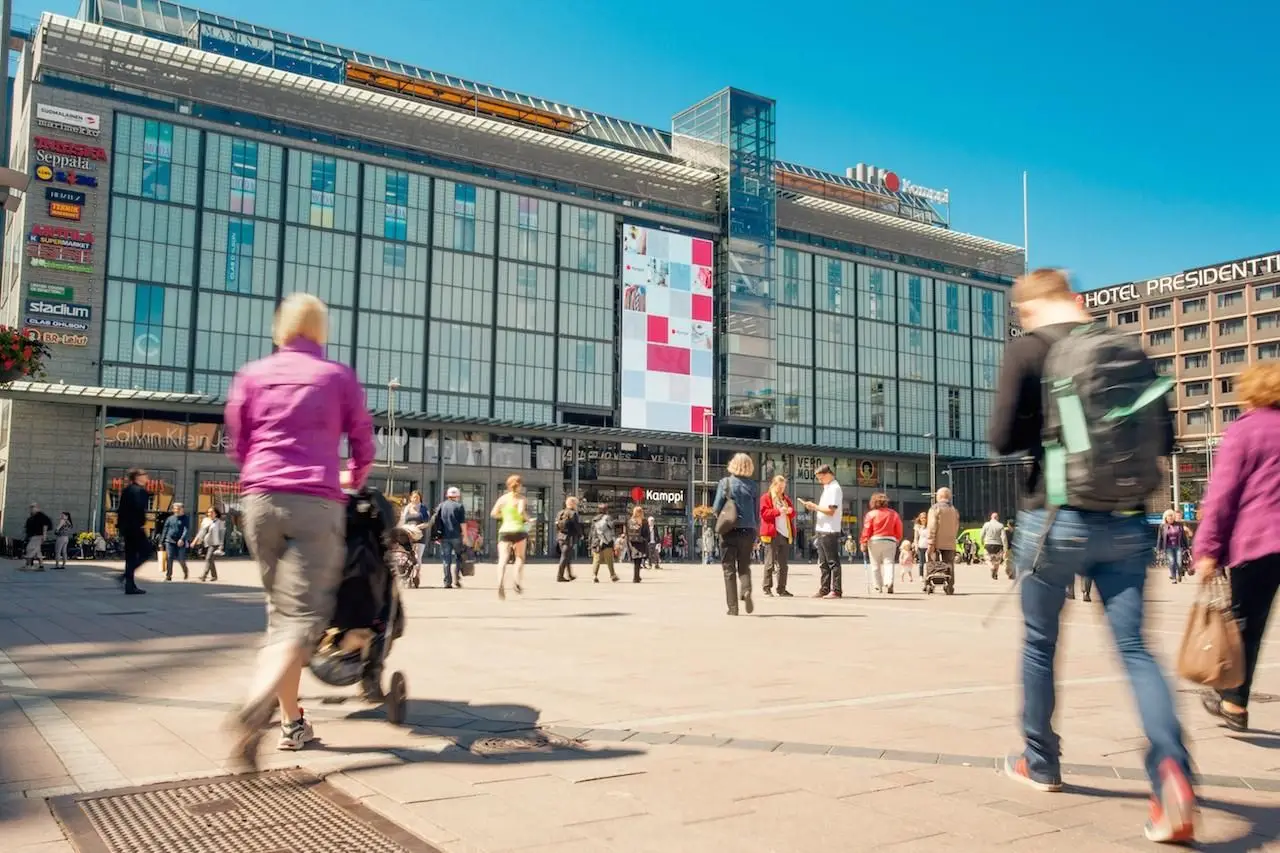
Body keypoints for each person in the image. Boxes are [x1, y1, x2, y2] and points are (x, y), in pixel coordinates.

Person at [989, 268, 1193, 843]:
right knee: (1135, 649)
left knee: (1040, 642)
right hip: (1127, 519)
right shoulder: (1129, 349)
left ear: (1026, 310)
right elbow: (1167, 439)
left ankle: (1041, 761)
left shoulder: (1027, 350)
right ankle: (1171, 770)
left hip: (1054, 517)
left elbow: (1001, 439)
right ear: (1076, 301)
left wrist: (1047, 430)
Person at [225, 292, 374, 764]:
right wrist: (354, 476)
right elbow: (363, 439)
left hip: (260, 501)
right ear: (320, 328)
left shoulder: (253, 374)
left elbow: (238, 438)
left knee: (280, 615)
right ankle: (257, 704)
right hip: (315, 502)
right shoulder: (336, 376)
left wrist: (259, 473)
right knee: (302, 619)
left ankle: (293, 723)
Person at [1193, 362, 1280, 734]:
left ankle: (1234, 701)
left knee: (1247, 625)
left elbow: (1222, 496)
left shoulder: (1246, 431)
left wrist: (1207, 549)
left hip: (1260, 542)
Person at [712, 453, 759, 615]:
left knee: (729, 569)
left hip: (729, 531)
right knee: (744, 566)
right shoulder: (753, 486)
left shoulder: (725, 483)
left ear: (732, 464)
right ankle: (746, 590)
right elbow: (755, 512)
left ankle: (733, 608)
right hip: (748, 531)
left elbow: (716, 507)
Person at [802, 464, 843, 599]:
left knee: (832, 561)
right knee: (823, 563)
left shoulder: (835, 488)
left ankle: (836, 590)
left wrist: (815, 507)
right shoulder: (828, 488)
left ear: (828, 474)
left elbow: (831, 510)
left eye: (821, 478)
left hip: (829, 529)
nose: (820, 481)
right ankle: (824, 588)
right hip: (822, 528)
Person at [491, 474, 529, 599]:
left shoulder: (502, 499)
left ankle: (500, 582)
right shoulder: (521, 498)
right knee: (520, 558)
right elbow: (521, 512)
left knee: (503, 558)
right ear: (519, 486)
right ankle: (517, 580)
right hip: (519, 530)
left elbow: (493, 514)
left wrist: (504, 516)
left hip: (505, 531)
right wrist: (528, 519)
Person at [759, 474, 796, 597]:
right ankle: (767, 588)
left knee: (783, 565)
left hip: (785, 533)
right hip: (772, 533)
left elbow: (793, 513)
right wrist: (778, 511)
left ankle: (781, 589)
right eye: (779, 487)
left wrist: (790, 511)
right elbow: (764, 514)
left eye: (783, 487)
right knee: (769, 563)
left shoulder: (785, 499)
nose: (781, 490)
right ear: (773, 485)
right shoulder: (766, 498)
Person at [860, 493, 903, 594]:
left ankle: (878, 586)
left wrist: (863, 541)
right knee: (889, 562)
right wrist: (898, 538)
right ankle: (889, 582)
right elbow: (899, 527)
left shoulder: (871, 514)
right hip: (890, 540)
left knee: (875, 564)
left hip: (875, 540)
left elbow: (867, 529)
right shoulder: (893, 514)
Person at [117, 469, 151, 594]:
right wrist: (141, 523)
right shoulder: (140, 491)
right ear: (137, 477)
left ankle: (129, 586)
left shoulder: (127, 490)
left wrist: (121, 527)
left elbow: (120, 510)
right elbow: (139, 508)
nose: (147, 477)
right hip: (135, 527)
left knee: (130, 556)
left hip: (126, 528)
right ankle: (125, 575)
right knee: (147, 551)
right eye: (144, 475)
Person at [435, 487, 467, 589]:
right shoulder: (459, 506)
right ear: (457, 496)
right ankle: (456, 579)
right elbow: (462, 523)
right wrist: (465, 536)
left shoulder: (442, 505)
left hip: (444, 536)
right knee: (459, 557)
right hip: (456, 536)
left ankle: (447, 582)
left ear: (447, 496)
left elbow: (436, 520)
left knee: (446, 559)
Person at [926, 488, 960, 582]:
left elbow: (932, 526)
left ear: (939, 496)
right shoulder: (954, 510)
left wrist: (930, 541)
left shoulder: (935, 508)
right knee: (949, 564)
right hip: (950, 542)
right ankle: (950, 583)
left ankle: (930, 582)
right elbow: (956, 526)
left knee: (932, 561)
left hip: (937, 542)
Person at [192, 507, 226, 582]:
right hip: (206, 543)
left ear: (216, 514)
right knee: (210, 560)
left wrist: (221, 545)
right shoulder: (205, 521)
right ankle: (214, 576)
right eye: (208, 512)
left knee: (208, 558)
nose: (209, 514)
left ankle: (204, 576)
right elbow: (201, 532)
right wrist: (195, 541)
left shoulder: (220, 522)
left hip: (215, 543)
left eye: (212, 512)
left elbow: (221, 535)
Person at [555, 496, 583, 582]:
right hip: (569, 537)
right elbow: (576, 526)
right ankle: (559, 576)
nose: (576, 505)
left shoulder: (560, 513)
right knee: (564, 556)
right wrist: (581, 535)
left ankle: (570, 575)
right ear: (573, 504)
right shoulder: (573, 513)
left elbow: (556, 525)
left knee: (567, 556)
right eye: (576, 504)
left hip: (560, 536)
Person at [161, 502, 191, 581]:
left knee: (181, 559)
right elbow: (165, 530)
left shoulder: (185, 518)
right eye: (175, 509)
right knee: (169, 557)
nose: (176, 510)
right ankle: (168, 575)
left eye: (178, 509)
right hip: (169, 540)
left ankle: (185, 571)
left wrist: (182, 539)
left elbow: (186, 529)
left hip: (181, 542)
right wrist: (161, 542)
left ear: (182, 509)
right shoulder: (170, 519)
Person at [589, 504, 619, 582]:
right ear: (606, 510)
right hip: (607, 541)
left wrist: (590, 542)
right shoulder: (608, 518)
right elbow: (611, 530)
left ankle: (594, 575)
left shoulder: (594, 519)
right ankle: (613, 575)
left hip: (596, 541)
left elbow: (592, 532)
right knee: (609, 559)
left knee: (596, 559)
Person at [1156, 509, 1188, 583]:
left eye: (1171, 516)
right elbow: (1160, 538)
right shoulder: (1162, 526)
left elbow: (1183, 537)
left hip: (1178, 546)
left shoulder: (1179, 525)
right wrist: (1158, 548)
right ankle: (1174, 577)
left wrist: (1187, 547)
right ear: (1166, 517)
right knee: (1172, 562)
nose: (1170, 517)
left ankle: (1179, 574)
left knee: (1179, 563)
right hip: (1168, 547)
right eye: (1169, 516)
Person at [398, 490, 428, 567]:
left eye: (417, 497)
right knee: (404, 555)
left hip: (419, 535)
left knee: (418, 557)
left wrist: (417, 527)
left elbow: (427, 523)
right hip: (407, 534)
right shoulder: (406, 508)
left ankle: (417, 573)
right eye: (414, 497)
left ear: (420, 498)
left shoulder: (423, 509)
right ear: (411, 498)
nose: (415, 499)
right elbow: (402, 520)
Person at [22, 503, 52, 572]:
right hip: (34, 536)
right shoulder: (33, 516)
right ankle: (41, 566)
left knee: (29, 549)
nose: (31, 509)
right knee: (37, 551)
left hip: (38, 535)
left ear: (38, 508)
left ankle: (29, 564)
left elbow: (45, 525)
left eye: (33, 507)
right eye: (31, 507)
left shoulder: (41, 516)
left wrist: (44, 536)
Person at [625, 506, 650, 584]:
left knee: (636, 560)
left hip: (632, 542)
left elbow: (627, 532)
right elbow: (647, 533)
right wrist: (645, 539)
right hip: (640, 542)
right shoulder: (644, 521)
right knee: (638, 561)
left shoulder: (630, 521)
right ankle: (636, 577)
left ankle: (637, 576)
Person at [981, 512, 1006, 580]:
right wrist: (1005, 547)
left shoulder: (986, 524)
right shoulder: (1001, 525)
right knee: (997, 560)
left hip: (988, 544)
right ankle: (995, 574)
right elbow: (1004, 537)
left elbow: (982, 534)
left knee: (987, 558)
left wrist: (982, 542)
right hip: (998, 545)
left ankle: (991, 567)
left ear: (991, 517)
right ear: (997, 518)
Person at [912, 511, 930, 579]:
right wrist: (916, 546)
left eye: (925, 518)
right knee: (921, 563)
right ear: (919, 518)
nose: (923, 519)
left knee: (929, 563)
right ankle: (921, 576)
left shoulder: (929, 526)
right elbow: (916, 538)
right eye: (922, 518)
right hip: (921, 546)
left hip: (928, 546)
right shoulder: (917, 526)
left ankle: (929, 575)